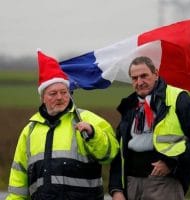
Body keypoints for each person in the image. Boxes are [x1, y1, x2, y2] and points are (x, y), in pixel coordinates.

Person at [6, 50, 119, 200]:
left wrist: (93, 134)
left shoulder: (87, 119)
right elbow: (18, 180)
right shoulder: (29, 131)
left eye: (64, 92)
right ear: (42, 98)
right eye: (53, 94)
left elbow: (111, 154)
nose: (60, 97)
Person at [108, 56, 190, 200]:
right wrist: (116, 188)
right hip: (131, 185)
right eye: (134, 78)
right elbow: (119, 151)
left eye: (144, 76)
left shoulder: (177, 98)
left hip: (165, 183)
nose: (139, 82)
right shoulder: (129, 105)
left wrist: (171, 163)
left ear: (156, 74)